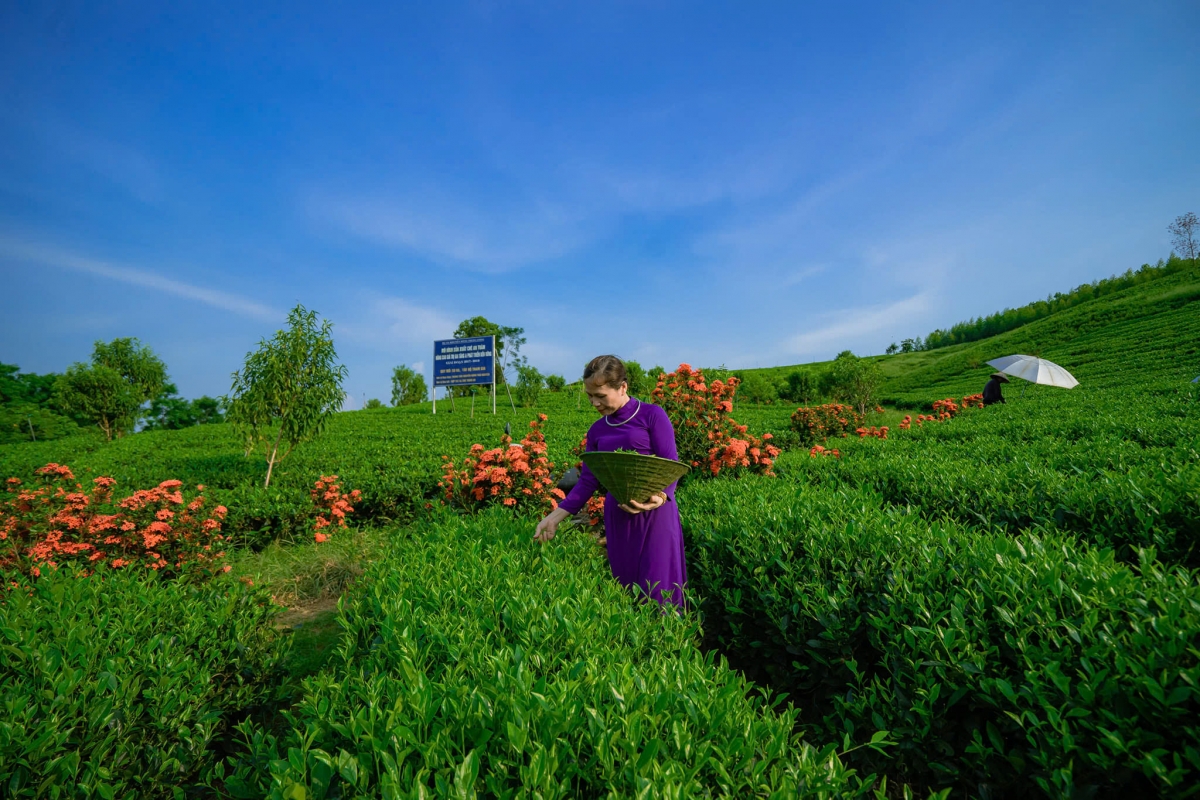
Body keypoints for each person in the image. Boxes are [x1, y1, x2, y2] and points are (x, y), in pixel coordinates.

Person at [534, 355, 688, 609]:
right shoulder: (597, 430)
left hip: (656, 513)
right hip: (619, 515)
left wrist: (658, 497)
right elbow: (587, 482)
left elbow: (670, 464)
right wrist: (553, 518)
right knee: (626, 588)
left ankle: (666, 643)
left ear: (623, 387)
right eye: (589, 396)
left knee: (660, 589)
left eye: (601, 396)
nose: (595, 402)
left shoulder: (652, 416)